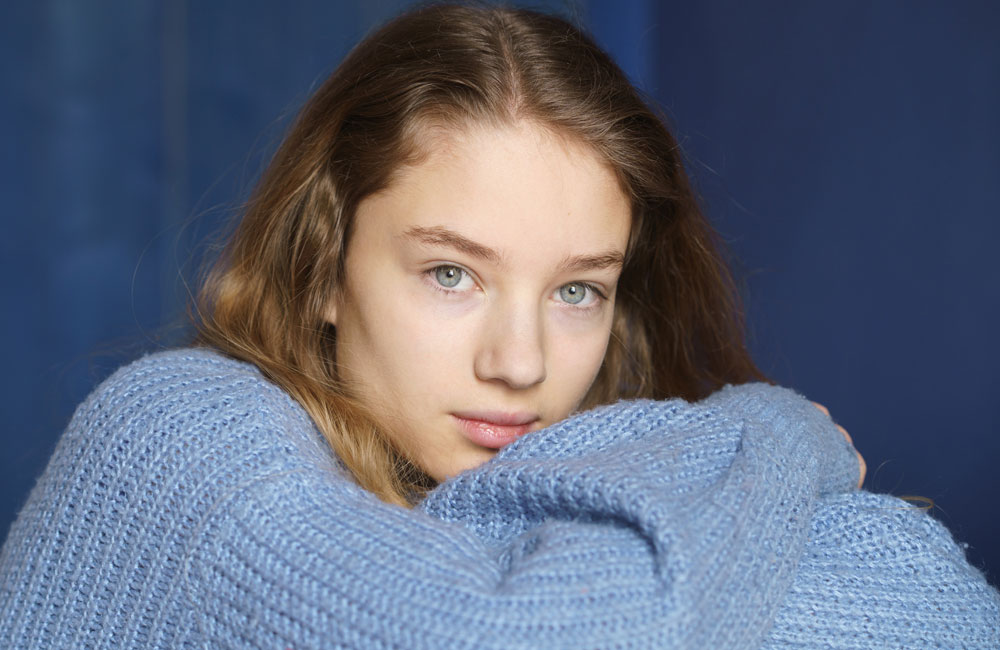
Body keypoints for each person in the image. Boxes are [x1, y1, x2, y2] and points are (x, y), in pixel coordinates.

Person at [1, 4, 997, 648]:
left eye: (577, 291)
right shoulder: (174, 430)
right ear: (324, 268)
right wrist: (774, 434)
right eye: (451, 273)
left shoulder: (561, 482)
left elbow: (935, 605)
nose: (519, 363)